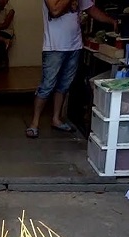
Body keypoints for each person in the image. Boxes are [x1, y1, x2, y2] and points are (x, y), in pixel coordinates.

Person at [25, 0, 116, 138]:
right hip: (54, 47)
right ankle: (34, 123)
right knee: (47, 85)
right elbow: (54, 11)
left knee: (64, 85)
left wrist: (112, 21)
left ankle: (56, 119)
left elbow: (91, 9)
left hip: (74, 46)